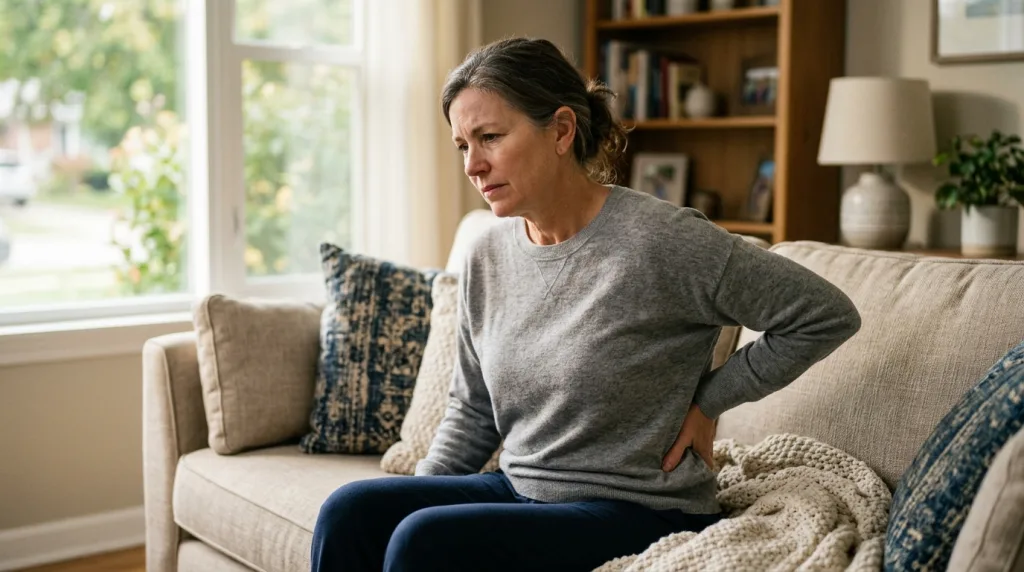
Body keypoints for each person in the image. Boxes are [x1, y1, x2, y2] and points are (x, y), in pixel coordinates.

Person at [311, 37, 861, 572]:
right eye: (462, 145)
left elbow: (822, 314)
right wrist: (423, 496)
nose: (472, 165)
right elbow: (473, 409)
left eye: (490, 137)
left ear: (562, 130)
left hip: (636, 507)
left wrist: (712, 400)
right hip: (521, 486)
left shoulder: (662, 240)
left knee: (424, 541)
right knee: (351, 511)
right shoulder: (488, 255)